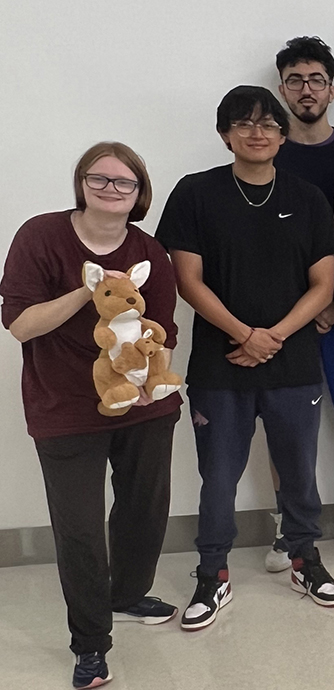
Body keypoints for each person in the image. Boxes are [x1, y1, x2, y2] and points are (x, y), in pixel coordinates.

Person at [157, 86, 334, 631]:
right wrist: (244, 333)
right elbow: (186, 280)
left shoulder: (307, 196)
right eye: (243, 123)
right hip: (222, 363)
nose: (257, 132)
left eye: (268, 123)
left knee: (299, 471)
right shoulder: (196, 193)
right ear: (225, 134)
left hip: (292, 360)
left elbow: (323, 282)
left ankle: (305, 559)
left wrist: (274, 336)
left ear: (283, 135)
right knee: (218, 475)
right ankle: (211, 573)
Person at [1, 142, 182, 689]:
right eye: (98, 179)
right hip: (65, 407)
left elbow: (163, 334)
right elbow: (19, 325)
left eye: (123, 182)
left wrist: (155, 383)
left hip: (143, 407)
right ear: (80, 184)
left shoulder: (151, 252)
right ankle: (90, 643)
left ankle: (126, 595)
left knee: (144, 512)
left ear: (139, 194)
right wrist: (90, 292)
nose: (109, 189)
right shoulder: (40, 235)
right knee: (79, 529)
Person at [271, 35, 334, 570]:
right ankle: (289, 524)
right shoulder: (266, 153)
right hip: (285, 321)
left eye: (316, 80)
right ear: (282, 89)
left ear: (332, 90)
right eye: (295, 80)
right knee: (285, 424)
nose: (306, 89)